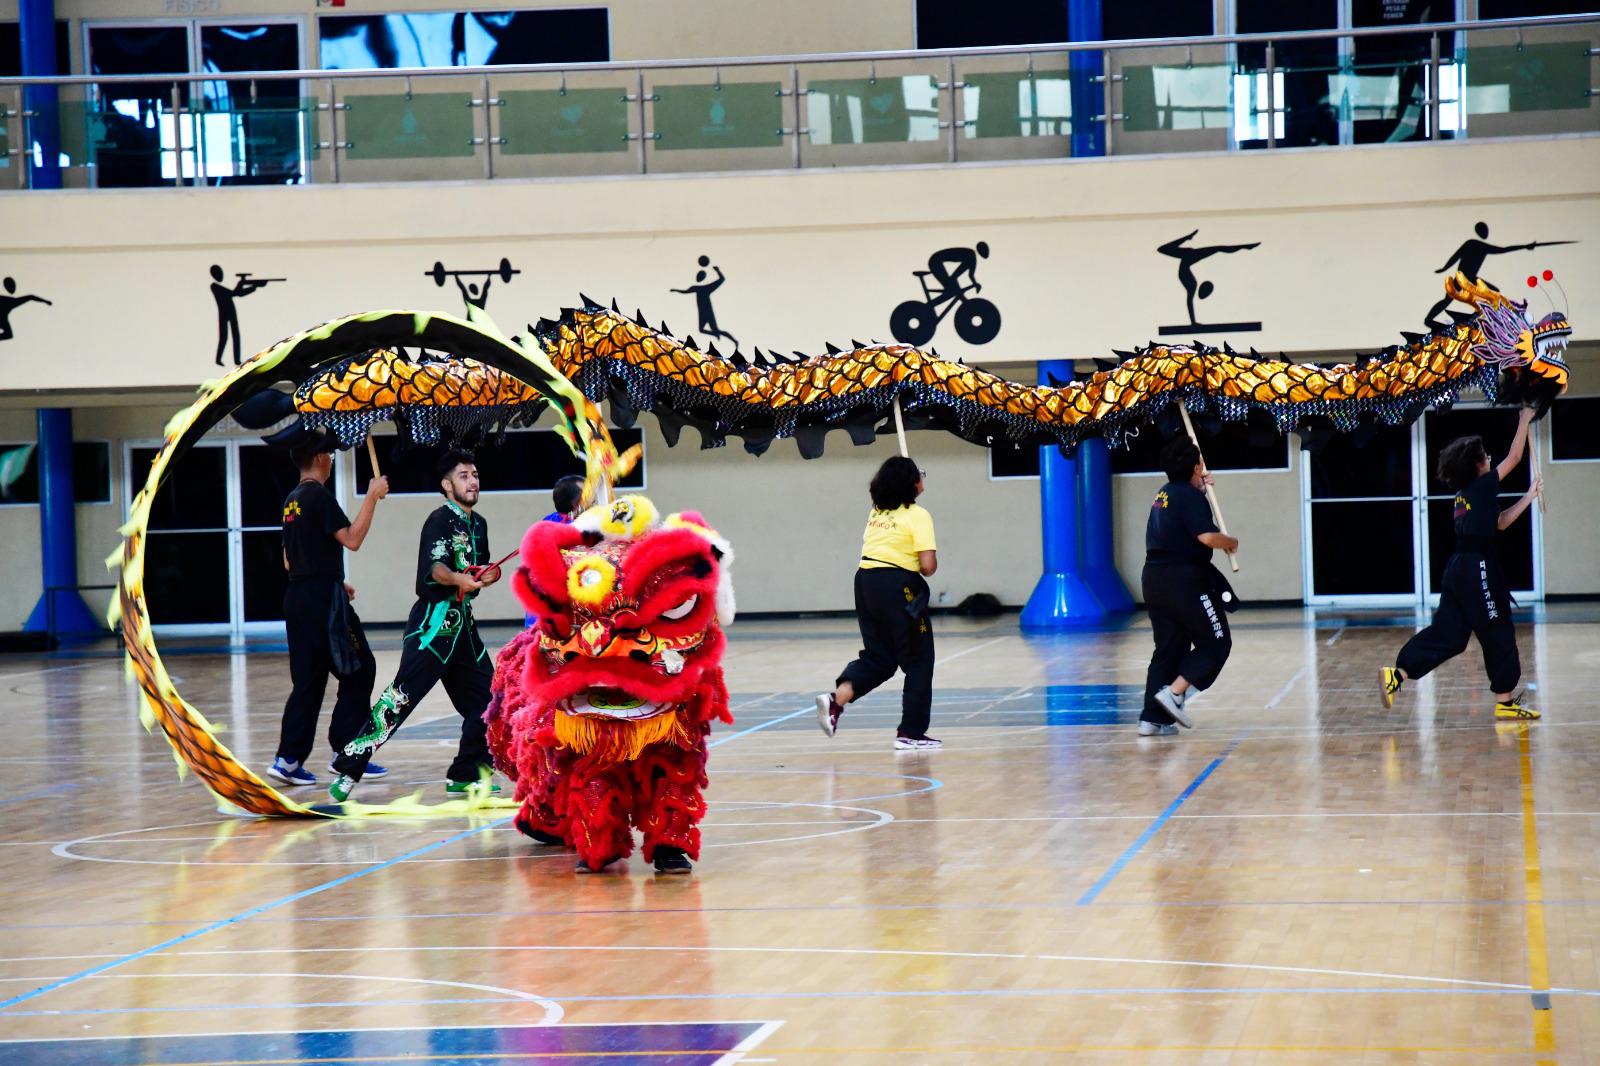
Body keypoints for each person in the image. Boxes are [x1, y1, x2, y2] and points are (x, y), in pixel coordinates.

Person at [329, 448, 504, 802]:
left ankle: (466, 774)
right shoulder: (439, 520)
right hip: (432, 627)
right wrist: (458, 579)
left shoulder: (479, 524)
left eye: (474, 475)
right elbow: (435, 568)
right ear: (446, 485)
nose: (472, 482)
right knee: (400, 699)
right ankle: (348, 768)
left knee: (492, 700)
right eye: (463, 476)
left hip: (464, 631)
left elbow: (482, 567)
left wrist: (489, 575)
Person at [1382, 408, 1542, 719]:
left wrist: (1529, 495)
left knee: (1451, 635)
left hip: (1459, 570)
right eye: (1486, 456)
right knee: (1497, 628)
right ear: (1478, 465)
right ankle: (1505, 703)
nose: (1491, 459)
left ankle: (1397, 674)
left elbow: (1500, 523)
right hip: (1478, 568)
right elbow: (1515, 457)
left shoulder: (1466, 495)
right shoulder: (1482, 487)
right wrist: (1524, 419)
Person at [267, 430, 390, 786]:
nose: (332, 460)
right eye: (331, 456)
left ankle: (288, 759)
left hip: (300, 597)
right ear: (320, 458)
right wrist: (371, 497)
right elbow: (352, 539)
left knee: (308, 680)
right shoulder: (318, 496)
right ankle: (348, 753)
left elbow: (290, 561)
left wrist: (332, 580)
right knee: (360, 667)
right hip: (323, 601)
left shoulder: (292, 500)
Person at [816, 455, 941, 750]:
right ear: (912, 483)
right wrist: (928, 559)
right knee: (919, 660)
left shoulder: (877, 513)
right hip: (898, 587)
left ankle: (837, 700)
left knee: (880, 658)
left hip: (866, 583)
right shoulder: (918, 515)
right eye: (919, 473)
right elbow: (928, 566)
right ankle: (911, 732)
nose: (923, 477)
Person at [1139, 437, 1240, 737]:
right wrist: (1231, 541)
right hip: (1183, 581)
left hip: (1154, 579)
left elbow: (1185, 515)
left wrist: (1198, 486)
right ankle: (1175, 693)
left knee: (1169, 649)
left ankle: (1151, 719)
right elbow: (1207, 537)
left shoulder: (1165, 493)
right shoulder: (1188, 496)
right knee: (1216, 643)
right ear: (1196, 466)